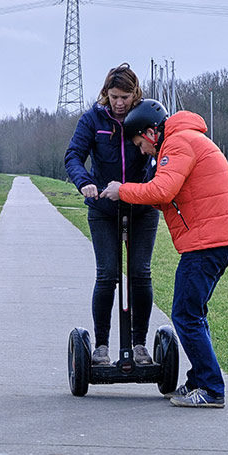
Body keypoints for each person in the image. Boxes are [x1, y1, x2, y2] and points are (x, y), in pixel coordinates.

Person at [101, 100, 228, 408]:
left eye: (140, 143)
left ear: (151, 132)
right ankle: (198, 381)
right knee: (194, 313)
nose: (142, 151)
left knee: (185, 314)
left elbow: (162, 191)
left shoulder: (177, 143)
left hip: (206, 242)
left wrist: (121, 190)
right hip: (215, 238)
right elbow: (171, 195)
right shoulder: (188, 139)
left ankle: (211, 389)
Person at [64, 63, 160, 367]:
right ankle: (102, 346)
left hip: (141, 207)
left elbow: (163, 152)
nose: (120, 103)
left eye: (126, 97)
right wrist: (85, 182)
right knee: (107, 275)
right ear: (106, 93)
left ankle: (140, 344)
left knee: (140, 274)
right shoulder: (93, 119)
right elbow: (73, 156)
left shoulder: (144, 118)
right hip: (103, 207)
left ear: (136, 94)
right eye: (114, 96)